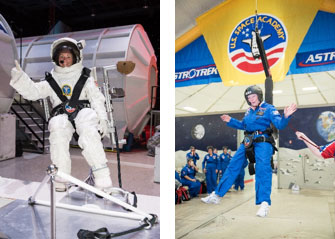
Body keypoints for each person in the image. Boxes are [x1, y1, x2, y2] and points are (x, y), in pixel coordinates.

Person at [10, 37, 112, 192]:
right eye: (61, 57)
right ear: (56, 59)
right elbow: (34, 92)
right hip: (61, 115)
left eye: (68, 57)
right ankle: (62, 177)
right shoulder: (51, 79)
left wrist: (103, 119)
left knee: (87, 125)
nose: (65, 60)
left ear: (76, 57)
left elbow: (96, 99)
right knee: (57, 127)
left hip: (83, 111)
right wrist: (21, 79)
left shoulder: (85, 77)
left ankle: (102, 176)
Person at [201, 85, 297, 218]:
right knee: (233, 165)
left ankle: (264, 203)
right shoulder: (248, 111)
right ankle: (217, 195)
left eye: (253, 96)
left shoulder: (268, 108)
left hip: (263, 141)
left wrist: (286, 116)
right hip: (248, 140)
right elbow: (243, 125)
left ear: (259, 96)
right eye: (249, 97)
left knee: (263, 170)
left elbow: (280, 125)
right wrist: (231, 121)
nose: (251, 99)